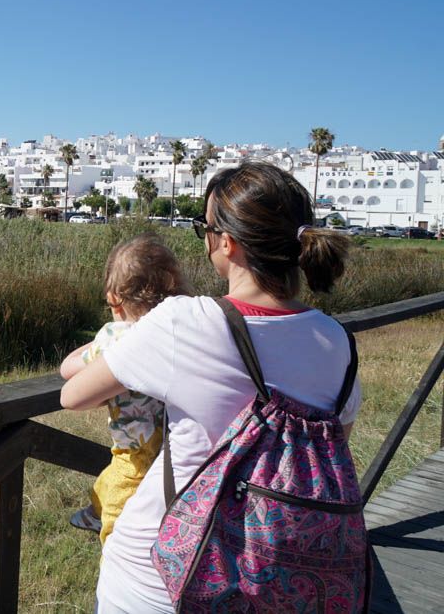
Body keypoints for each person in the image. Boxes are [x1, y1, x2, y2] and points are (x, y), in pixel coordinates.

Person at [61, 163, 359, 613]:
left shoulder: (188, 322)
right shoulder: (338, 343)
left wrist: (115, 335)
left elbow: (74, 395)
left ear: (227, 242)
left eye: (205, 227)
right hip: (270, 581)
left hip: (158, 578)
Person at [60, 235, 189, 548]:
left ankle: (108, 540)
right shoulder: (183, 329)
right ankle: (96, 510)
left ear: (114, 299)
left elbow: (68, 370)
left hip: (135, 458)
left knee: (118, 513)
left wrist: (99, 344)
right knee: (112, 484)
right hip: (177, 456)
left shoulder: (117, 339)